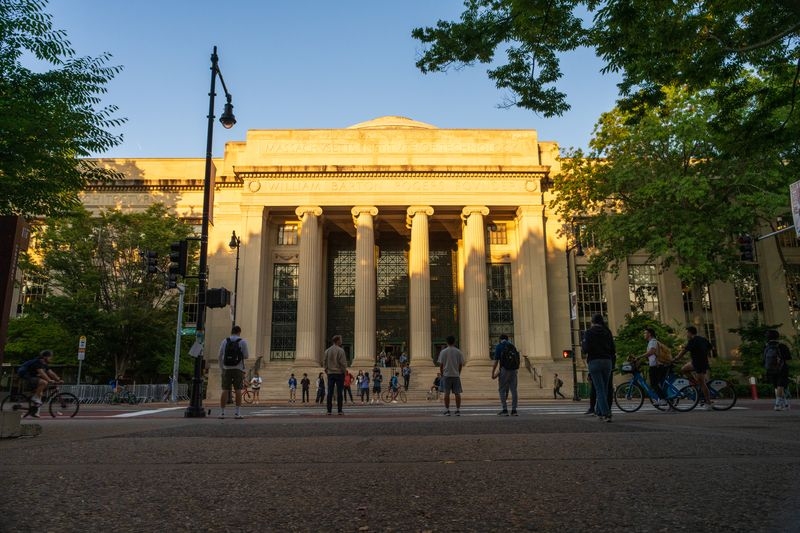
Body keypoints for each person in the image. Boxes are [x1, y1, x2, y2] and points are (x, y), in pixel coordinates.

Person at [582, 314, 615, 422]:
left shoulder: (589, 332)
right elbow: (613, 349)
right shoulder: (607, 332)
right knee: (604, 388)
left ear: (592, 322)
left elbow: (585, 349)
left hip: (594, 361)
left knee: (599, 389)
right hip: (607, 361)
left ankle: (606, 413)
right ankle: (600, 412)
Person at [673, 326, 715, 410]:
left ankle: (708, 402)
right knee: (684, 369)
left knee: (702, 383)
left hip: (699, 363)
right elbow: (711, 347)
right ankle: (695, 383)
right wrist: (703, 353)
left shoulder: (692, 340)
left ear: (690, 333)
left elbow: (683, 351)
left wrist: (675, 359)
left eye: (687, 333)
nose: (686, 335)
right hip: (696, 362)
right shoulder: (703, 339)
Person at [17, 350, 62, 417]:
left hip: (32, 376)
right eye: (50, 357)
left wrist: (58, 379)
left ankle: (35, 412)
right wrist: (49, 380)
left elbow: (51, 372)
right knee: (44, 382)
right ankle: (34, 398)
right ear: (45, 357)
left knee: (39, 393)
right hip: (25, 374)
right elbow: (42, 373)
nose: (51, 358)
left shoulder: (44, 364)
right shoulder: (37, 362)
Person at [218, 325, 250, 419]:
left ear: (231, 332)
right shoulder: (242, 341)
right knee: (238, 390)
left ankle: (222, 413)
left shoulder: (225, 341)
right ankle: (237, 412)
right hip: (238, 368)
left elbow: (219, 355)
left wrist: (222, 368)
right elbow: (246, 356)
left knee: (225, 390)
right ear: (239, 332)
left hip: (226, 368)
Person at [761, 329, 792, 411]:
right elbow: (788, 357)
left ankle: (785, 404)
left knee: (778, 387)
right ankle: (777, 404)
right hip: (782, 368)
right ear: (777, 337)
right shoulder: (781, 346)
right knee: (780, 386)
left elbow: (763, 359)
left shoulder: (766, 347)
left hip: (770, 369)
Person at [637, 328, 668, 406]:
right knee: (659, 384)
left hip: (656, 366)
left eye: (645, 333)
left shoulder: (652, 342)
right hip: (657, 365)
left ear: (649, 334)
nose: (644, 335)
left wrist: (639, 357)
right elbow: (653, 355)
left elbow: (651, 352)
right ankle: (665, 399)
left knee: (654, 384)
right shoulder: (653, 342)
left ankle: (663, 399)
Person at [491, 333, 518, 416]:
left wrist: (493, 372)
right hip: (513, 370)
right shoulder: (512, 346)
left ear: (500, 339)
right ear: (507, 339)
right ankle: (514, 410)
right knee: (514, 390)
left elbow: (496, 361)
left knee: (502, 389)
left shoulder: (499, 346)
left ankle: (505, 409)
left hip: (504, 370)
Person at [437, 335, 464, 416]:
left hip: (446, 375)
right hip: (455, 375)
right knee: (457, 393)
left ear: (447, 342)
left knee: (446, 393)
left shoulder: (443, 352)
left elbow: (441, 365)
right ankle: (458, 410)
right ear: (454, 342)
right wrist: (458, 373)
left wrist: (442, 374)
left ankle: (447, 410)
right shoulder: (458, 352)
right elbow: (460, 364)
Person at [323, 334, 348, 415]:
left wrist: (326, 370)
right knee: (339, 392)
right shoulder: (341, 350)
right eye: (340, 340)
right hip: (339, 373)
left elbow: (324, 362)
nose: (341, 341)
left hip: (330, 373)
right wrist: (344, 371)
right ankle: (339, 410)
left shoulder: (327, 351)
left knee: (330, 392)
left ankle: (329, 410)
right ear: (337, 341)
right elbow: (343, 363)